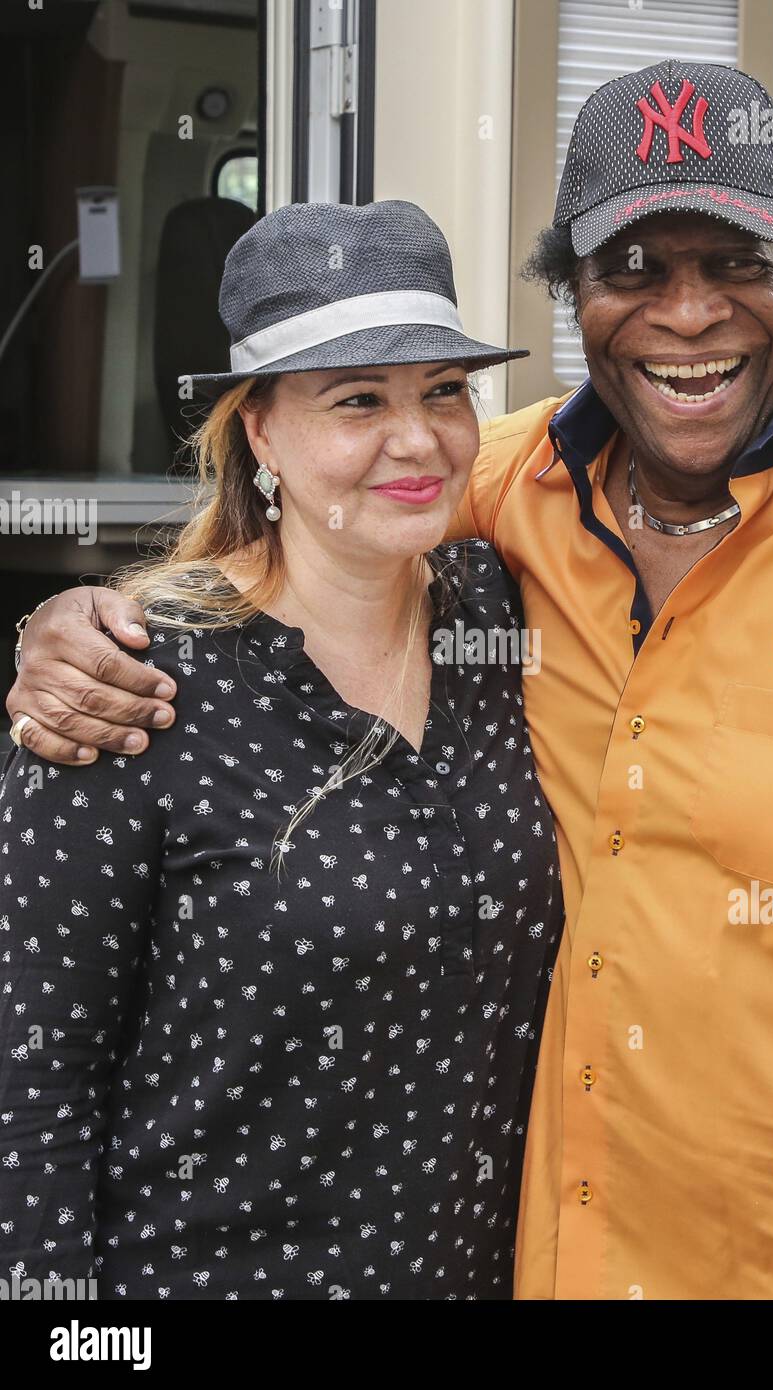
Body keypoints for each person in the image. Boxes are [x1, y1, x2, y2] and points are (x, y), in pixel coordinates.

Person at [10, 59, 773, 1300]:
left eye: (737, 260)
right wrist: (76, 624)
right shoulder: (497, 495)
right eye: (632, 267)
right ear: (573, 293)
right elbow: (305, 529)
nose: (686, 314)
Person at [0, 199, 563, 1301]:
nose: (416, 440)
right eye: (357, 400)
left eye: (443, 392)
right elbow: (31, 1087)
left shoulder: (504, 616)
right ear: (257, 430)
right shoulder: (134, 685)